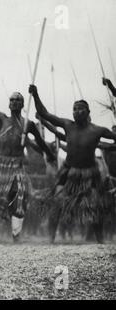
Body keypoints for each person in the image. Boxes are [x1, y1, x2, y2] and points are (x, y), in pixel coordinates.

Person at [0, 68, 55, 242]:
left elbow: (41, 143)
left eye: (18, 100)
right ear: (9, 103)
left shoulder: (28, 124)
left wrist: (49, 154)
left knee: (19, 195)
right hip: (1, 166)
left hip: (17, 167)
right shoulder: (1, 119)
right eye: (12, 100)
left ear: (22, 104)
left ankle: (16, 234)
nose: (14, 102)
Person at [29, 84, 116, 243]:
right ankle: (50, 238)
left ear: (88, 112)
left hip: (90, 174)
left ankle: (100, 240)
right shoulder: (67, 125)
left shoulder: (98, 130)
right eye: (74, 108)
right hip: (68, 173)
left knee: (94, 204)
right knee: (57, 201)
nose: (77, 111)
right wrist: (35, 94)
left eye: (81, 108)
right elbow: (44, 113)